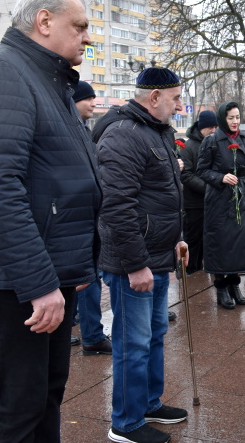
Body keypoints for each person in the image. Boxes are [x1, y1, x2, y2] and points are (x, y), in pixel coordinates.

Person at [0, 0, 100, 442]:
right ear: (45, 21)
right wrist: (39, 284)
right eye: (80, 26)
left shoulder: (45, 78)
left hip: (47, 272)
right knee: (21, 403)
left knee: (46, 393)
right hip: (19, 280)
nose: (88, 37)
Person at [97, 66, 189, 443]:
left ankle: (148, 403)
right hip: (132, 262)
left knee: (153, 335)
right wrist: (135, 264)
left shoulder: (155, 132)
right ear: (154, 98)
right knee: (131, 342)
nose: (180, 107)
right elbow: (117, 206)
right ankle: (126, 422)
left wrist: (177, 238)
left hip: (158, 253)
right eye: (176, 99)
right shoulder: (123, 135)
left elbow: (164, 196)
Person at [198, 102, 245, 309]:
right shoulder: (211, 141)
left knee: (239, 242)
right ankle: (221, 287)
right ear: (222, 119)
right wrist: (221, 177)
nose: (235, 122)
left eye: (237, 117)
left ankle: (234, 284)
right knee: (221, 242)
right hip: (219, 199)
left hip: (242, 197)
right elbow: (201, 170)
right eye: (231, 118)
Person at [69, 80, 111, 356]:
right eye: (88, 98)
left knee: (80, 277)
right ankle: (92, 336)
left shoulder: (81, 129)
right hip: (77, 217)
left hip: (81, 215)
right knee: (88, 277)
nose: (94, 103)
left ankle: (73, 326)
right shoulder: (70, 130)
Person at [180, 110, 218, 275]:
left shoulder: (213, 143)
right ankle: (188, 270)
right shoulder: (188, 147)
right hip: (193, 203)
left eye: (215, 126)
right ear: (201, 127)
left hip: (211, 202)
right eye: (210, 127)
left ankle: (200, 270)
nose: (213, 130)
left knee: (207, 239)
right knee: (192, 239)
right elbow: (186, 175)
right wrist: (209, 187)